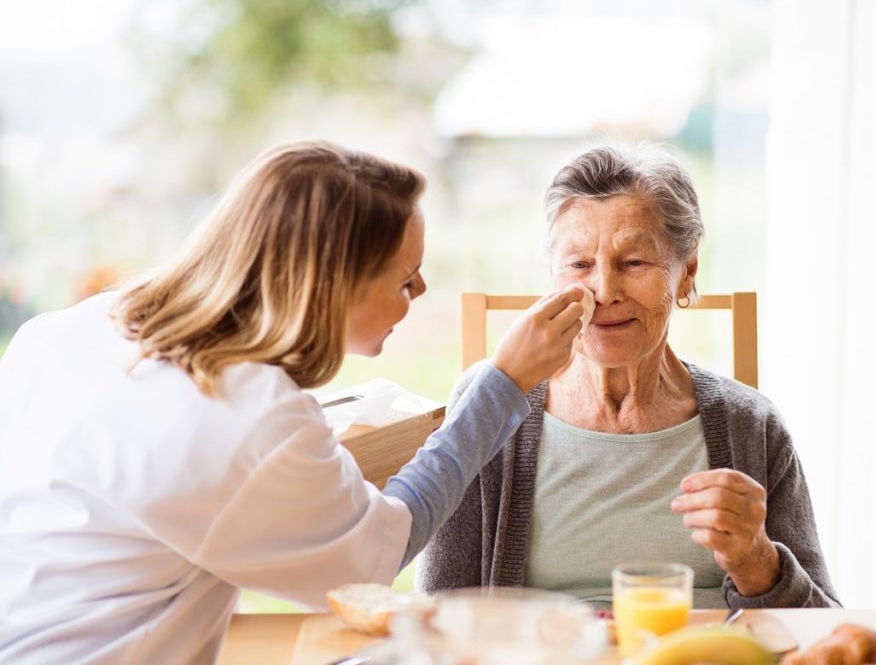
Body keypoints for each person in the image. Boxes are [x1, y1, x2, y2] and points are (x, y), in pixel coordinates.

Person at [0, 141, 585, 664]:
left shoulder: (67, 331)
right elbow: (375, 556)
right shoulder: (246, 417)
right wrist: (503, 383)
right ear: (335, 288)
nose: (423, 292)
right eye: (407, 280)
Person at [418, 145, 840, 609]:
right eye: (579, 265)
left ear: (687, 273)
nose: (604, 291)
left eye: (634, 263)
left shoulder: (750, 424)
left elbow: (826, 634)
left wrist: (758, 562)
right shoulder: (493, 404)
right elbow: (438, 617)